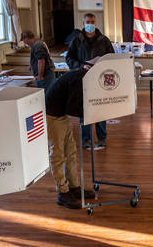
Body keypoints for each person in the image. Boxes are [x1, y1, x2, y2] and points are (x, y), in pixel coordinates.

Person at [45, 58, 100, 209]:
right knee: (57, 154)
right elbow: (73, 107)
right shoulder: (79, 78)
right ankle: (63, 192)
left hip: (61, 115)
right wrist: (92, 112)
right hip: (53, 116)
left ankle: (74, 187)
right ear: (88, 67)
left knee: (71, 152)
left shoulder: (82, 76)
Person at [66, 13, 114, 149]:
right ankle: (86, 139)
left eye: (92, 21)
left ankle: (102, 137)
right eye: (88, 22)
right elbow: (69, 59)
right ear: (83, 23)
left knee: (100, 109)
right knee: (85, 111)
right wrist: (81, 66)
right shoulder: (76, 40)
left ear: (95, 22)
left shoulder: (104, 40)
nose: (90, 24)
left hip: (100, 80)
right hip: (83, 78)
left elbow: (111, 58)